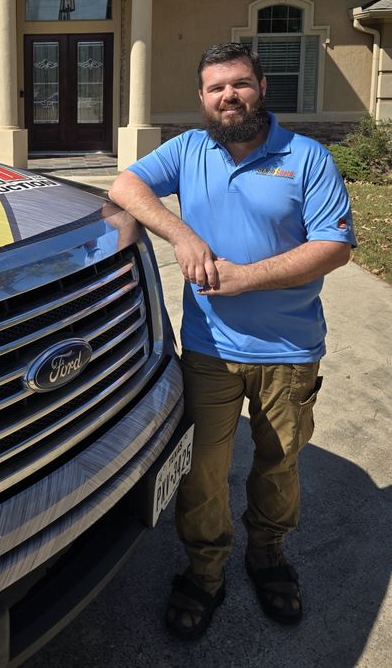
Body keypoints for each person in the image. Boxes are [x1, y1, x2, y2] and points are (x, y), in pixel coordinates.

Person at [108, 42, 355, 640]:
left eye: (239, 83)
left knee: (278, 466)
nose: (228, 96)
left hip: (289, 354)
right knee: (202, 474)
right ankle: (206, 570)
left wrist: (245, 277)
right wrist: (181, 235)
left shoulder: (306, 157)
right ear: (202, 97)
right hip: (210, 352)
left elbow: (335, 246)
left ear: (261, 87)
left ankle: (267, 556)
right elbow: (127, 186)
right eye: (216, 88)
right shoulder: (190, 149)